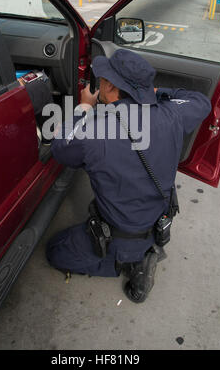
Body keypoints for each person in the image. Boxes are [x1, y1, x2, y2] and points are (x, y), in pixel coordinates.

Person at [46, 48, 211, 303]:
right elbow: (201, 101)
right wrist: (155, 94)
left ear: (109, 86)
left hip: (119, 235)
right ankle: (146, 250)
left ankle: (128, 264)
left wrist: (84, 106)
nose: (97, 83)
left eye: (101, 79)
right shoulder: (173, 115)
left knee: (55, 251)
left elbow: (61, 148)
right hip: (158, 219)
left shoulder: (96, 132)